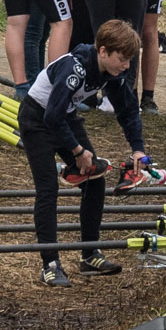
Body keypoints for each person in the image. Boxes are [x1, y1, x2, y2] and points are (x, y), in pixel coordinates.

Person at [18, 20, 144, 287]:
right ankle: (50, 264)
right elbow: (51, 115)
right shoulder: (74, 66)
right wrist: (77, 151)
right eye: (122, 59)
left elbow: (129, 111)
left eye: (130, 60)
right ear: (103, 51)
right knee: (48, 189)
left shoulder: (114, 73)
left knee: (95, 179)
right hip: (37, 118)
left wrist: (138, 150)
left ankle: (89, 254)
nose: (126, 66)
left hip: (64, 116)